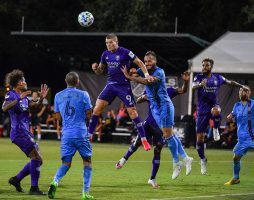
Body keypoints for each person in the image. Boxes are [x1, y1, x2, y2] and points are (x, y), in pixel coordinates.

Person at [121, 51, 192, 180]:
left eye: (150, 61)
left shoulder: (160, 72)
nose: (147, 63)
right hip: (155, 110)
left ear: (155, 61)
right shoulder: (143, 69)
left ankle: (179, 161)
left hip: (164, 105)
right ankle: (184, 159)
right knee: (169, 135)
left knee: (168, 136)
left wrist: (131, 77)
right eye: (145, 61)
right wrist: (131, 71)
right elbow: (136, 71)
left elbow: (147, 81)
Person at [88, 33, 154, 151]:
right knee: (97, 109)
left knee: (133, 112)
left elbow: (139, 62)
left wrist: (147, 75)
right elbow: (100, 71)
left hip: (123, 86)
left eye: (111, 43)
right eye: (107, 43)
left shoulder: (125, 52)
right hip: (110, 85)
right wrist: (95, 68)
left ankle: (144, 140)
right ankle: (88, 137)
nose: (109, 45)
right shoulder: (105, 54)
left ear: (116, 42)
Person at [192, 57, 248, 175]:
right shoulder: (198, 77)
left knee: (216, 110)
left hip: (213, 106)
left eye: (206, 65)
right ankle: (202, 159)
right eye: (203, 65)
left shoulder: (218, 78)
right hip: (202, 110)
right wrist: (200, 85)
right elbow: (192, 86)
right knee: (199, 139)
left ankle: (216, 129)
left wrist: (240, 86)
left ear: (211, 67)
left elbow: (229, 82)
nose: (204, 67)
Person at [48, 72, 94, 200]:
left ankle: (55, 181)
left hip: (66, 134)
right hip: (81, 132)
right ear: (78, 81)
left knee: (66, 163)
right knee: (87, 161)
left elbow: (57, 117)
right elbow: (89, 114)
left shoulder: (58, 96)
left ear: (65, 81)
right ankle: (85, 193)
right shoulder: (84, 94)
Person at [2, 69, 48, 195]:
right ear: (18, 83)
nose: (25, 82)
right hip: (18, 132)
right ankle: (34, 188)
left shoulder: (25, 99)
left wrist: (41, 99)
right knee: (36, 157)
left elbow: (34, 106)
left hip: (25, 132)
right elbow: (4, 108)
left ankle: (16, 179)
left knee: (39, 160)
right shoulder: (11, 95)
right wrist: (18, 99)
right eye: (23, 80)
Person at [224, 87, 253, 185]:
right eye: (240, 91)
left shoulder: (253, 104)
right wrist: (230, 117)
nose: (241, 92)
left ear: (249, 93)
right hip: (242, 139)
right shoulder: (236, 105)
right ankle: (236, 178)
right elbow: (233, 116)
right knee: (236, 158)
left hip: (252, 137)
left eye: (244, 91)